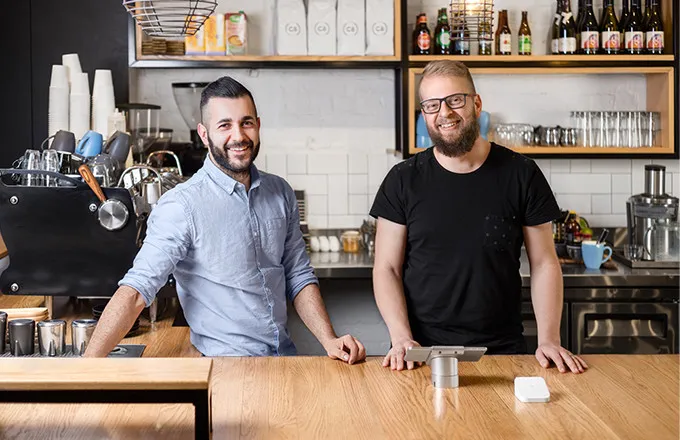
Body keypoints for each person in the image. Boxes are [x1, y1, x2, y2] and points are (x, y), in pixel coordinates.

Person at [84, 76, 366, 363]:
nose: (239, 136)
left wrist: (329, 339)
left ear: (258, 125)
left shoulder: (280, 192)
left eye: (246, 123)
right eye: (225, 125)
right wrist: (88, 368)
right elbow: (136, 290)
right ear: (204, 135)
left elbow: (298, 275)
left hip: (284, 358)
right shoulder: (182, 206)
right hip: (225, 365)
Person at [370, 60, 587, 374]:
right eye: (432, 105)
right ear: (424, 114)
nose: (444, 113)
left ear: (476, 103)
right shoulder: (402, 180)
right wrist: (401, 336)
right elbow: (386, 268)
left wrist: (549, 338)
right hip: (419, 353)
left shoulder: (521, 174)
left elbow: (544, 263)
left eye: (455, 100)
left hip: (502, 352)